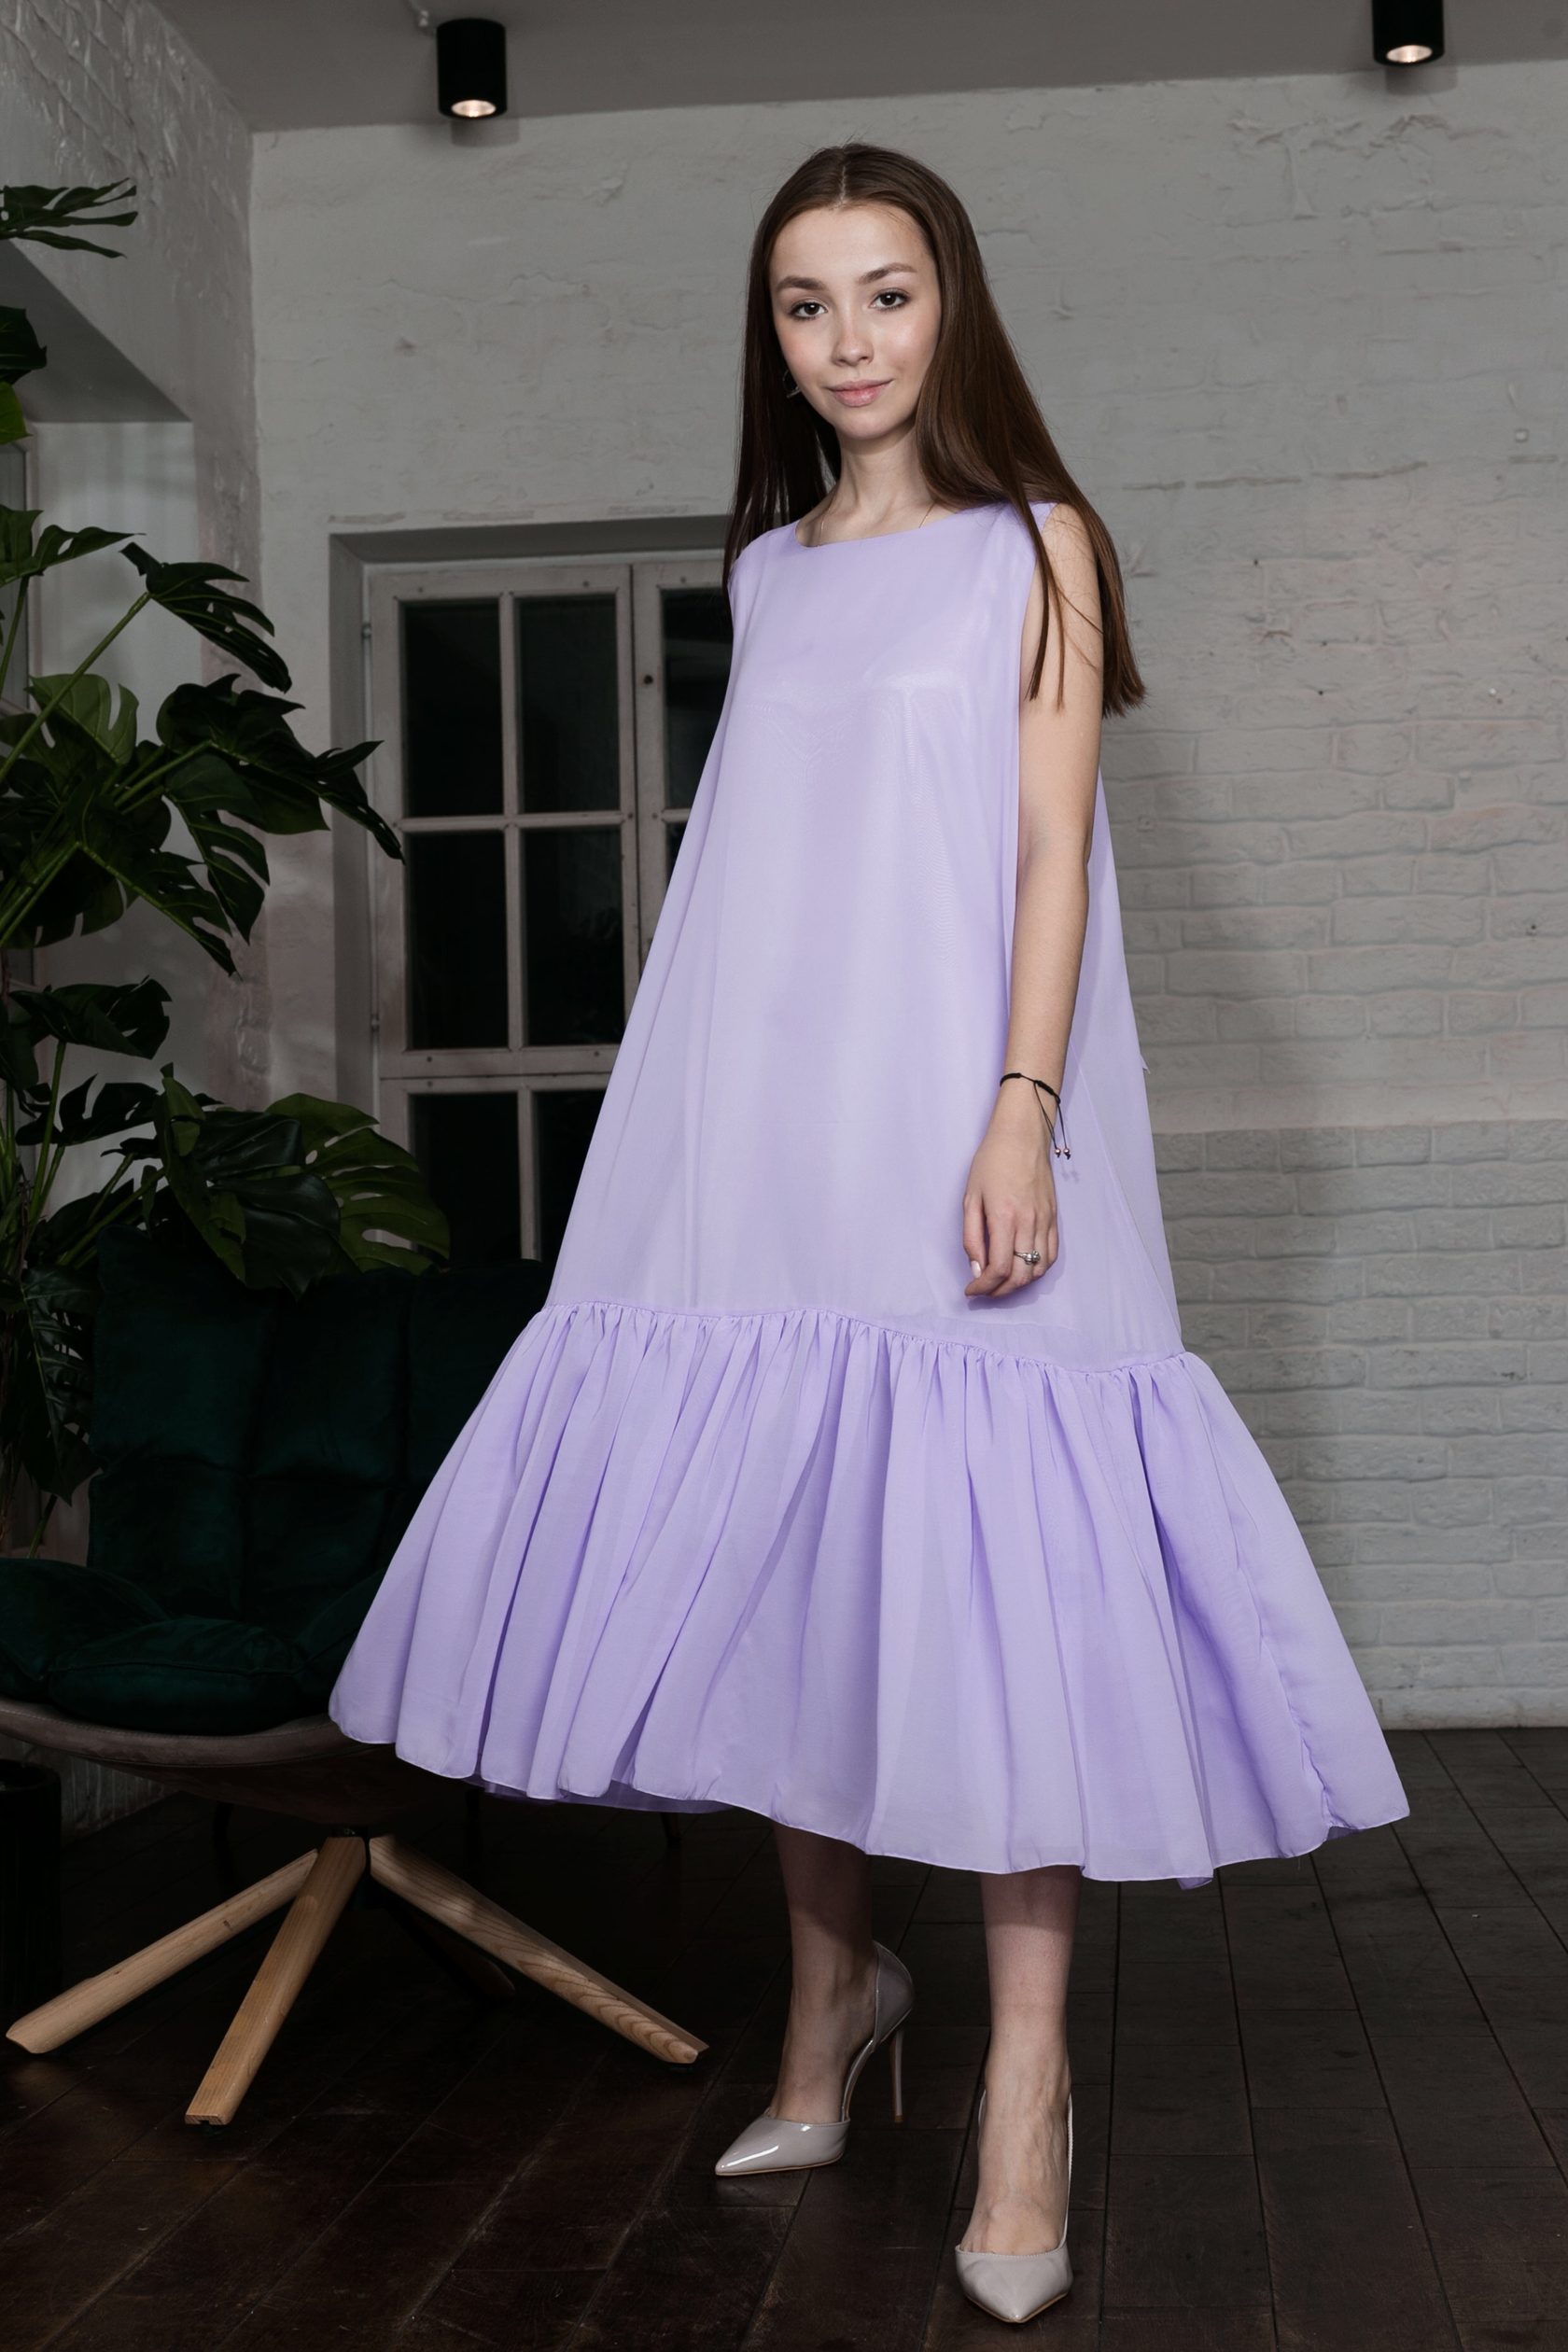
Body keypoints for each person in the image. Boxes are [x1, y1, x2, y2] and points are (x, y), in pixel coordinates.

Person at [330, 142, 1409, 2325]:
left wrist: (1021, 1114)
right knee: (790, 1561)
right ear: (774, 332)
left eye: (886, 293)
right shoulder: (767, 572)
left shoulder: (1043, 545)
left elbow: (1048, 860)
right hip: (769, 1128)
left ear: (954, 303)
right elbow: (755, 878)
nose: (848, 342)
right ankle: (834, 2001)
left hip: (971, 1117)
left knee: (1009, 1586)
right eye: (806, 304)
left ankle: (1026, 2097)